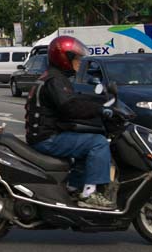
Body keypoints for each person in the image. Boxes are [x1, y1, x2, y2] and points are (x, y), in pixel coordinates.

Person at [25, 35, 114, 210]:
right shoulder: (55, 80)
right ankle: (90, 194)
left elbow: (72, 100)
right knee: (98, 143)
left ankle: (73, 187)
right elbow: (70, 107)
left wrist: (97, 103)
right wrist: (99, 110)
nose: (80, 62)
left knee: (86, 140)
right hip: (46, 138)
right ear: (64, 58)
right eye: (77, 58)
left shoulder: (52, 77)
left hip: (44, 134)